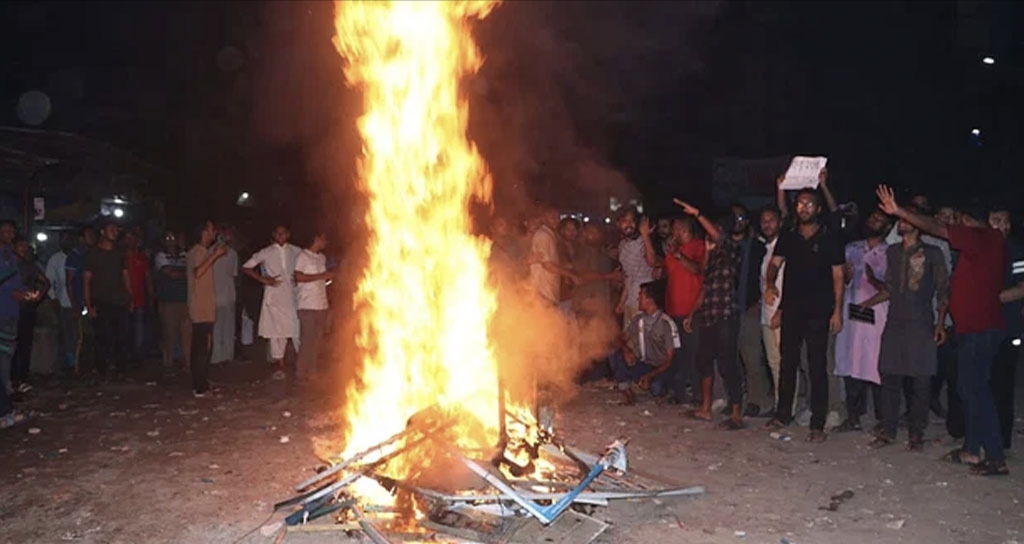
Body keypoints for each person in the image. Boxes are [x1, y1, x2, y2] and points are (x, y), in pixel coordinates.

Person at [876, 185, 1007, 476]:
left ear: (966, 220)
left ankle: (995, 456)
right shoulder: (990, 241)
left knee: (976, 392)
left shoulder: (980, 237)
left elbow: (937, 229)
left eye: (957, 221)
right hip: (976, 327)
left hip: (980, 329)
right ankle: (973, 450)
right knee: (970, 390)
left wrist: (899, 210)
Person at [861, 205, 949, 451]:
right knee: (889, 376)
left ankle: (916, 431)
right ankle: (888, 429)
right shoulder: (893, 252)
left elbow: (943, 291)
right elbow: (890, 289)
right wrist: (868, 300)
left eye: (906, 218)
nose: (901, 222)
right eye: (899, 218)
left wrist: (940, 324)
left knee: (921, 381)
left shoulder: (932, 254)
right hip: (896, 322)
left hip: (921, 323)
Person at [764, 189, 845, 443]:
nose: (804, 207)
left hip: (819, 311)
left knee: (816, 365)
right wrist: (769, 284)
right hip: (792, 310)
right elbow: (774, 264)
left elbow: (838, 276)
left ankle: (817, 422)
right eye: (800, 203)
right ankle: (783, 414)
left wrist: (837, 310)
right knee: (788, 363)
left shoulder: (829, 237)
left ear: (818, 208)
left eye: (809, 204)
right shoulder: (788, 236)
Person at [678, 206, 746, 430]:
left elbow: (719, 237)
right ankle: (706, 409)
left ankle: (736, 414)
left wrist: (698, 214)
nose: (710, 234)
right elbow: (704, 279)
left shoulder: (732, 250)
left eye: (715, 230)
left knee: (728, 364)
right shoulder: (714, 255)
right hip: (708, 315)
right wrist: (691, 313)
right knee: (704, 362)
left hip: (726, 315)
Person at [833, 210, 890, 432]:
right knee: (852, 361)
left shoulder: (890, 252)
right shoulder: (852, 248)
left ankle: (883, 419)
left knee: (876, 364)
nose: (874, 221)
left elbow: (890, 288)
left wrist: (873, 278)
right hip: (852, 313)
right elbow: (843, 282)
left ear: (887, 227)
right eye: (872, 217)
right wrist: (847, 275)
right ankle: (854, 416)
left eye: (880, 220)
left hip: (878, 313)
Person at [243, 224, 301, 379]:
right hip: (274, 297)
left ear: (288, 234)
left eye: (283, 233)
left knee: (296, 329)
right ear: (274, 235)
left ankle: (301, 364)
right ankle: (280, 366)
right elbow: (246, 267)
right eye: (278, 233)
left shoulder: (296, 251)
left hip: (292, 296)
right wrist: (263, 279)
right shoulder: (266, 252)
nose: (281, 236)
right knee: (277, 333)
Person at [662, 205, 707, 405]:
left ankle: (698, 395)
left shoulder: (699, 246)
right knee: (677, 354)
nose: (672, 233)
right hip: (673, 309)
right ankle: (679, 393)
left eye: (675, 229)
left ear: (683, 230)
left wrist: (679, 256)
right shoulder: (674, 251)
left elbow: (698, 269)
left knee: (695, 353)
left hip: (692, 310)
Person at [609, 280, 679, 405]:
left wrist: (650, 376)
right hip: (645, 365)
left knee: (657, 388)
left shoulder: (665, 323)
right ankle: (629, 395)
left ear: (650, 300)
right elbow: (618, 339)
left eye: (640, 295)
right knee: (614, 353)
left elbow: (670, 361)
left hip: (661, 368)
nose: (637, 299)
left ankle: (667, 390)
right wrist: (627, 350)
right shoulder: (638, 319)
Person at [83, 221, 133, 381]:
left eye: (116, 229)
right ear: (103, 232)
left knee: (122, 338)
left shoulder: (120, 253)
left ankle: (121, 371)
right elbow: (86, 281)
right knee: (103, 337)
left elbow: (126, 277)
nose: (115, 232)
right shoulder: (93, 254)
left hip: (120, 301)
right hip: (101, 301)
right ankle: (101, 370)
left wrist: (130, 297)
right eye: (111, 229)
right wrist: (88, 304)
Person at [990, 207, 1022, 450]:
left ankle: (1002, 440)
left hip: (1008, 327)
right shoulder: (981, 249)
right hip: (982, 327)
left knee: (1002, 385)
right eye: (997, 221)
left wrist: (991, 298)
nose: (1002, 226)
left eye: (1005, 222)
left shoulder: (1016, 250)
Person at [186, 221, 227, 397]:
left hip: (204, 306)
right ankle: (199, 387)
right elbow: (198, 272)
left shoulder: (202, 251)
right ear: (203, 232)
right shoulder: (197, 251)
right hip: (200, 307)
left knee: (204, 346)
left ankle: (202, 381)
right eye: (211, 229)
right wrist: (215, 256)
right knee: (201, 347)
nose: (214, 232)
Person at [11, 237, 49, 393]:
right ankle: (12, 379)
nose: (24, 248)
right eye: (21, 245)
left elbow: (46, 282)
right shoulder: (8, 265)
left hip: (26, 309)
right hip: (9, 310)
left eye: (26, 245)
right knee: (11, 346)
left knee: (24, 344)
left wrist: (38, 296)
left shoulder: (30, 266)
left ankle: (22, 378)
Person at [294, 233, 332, 382]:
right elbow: (298, 277)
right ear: (316, 239)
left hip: (321, 304)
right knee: (307, 339)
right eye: (323, 239)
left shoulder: (321, 258)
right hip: (307, 305)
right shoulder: (303, 256)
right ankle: (301, 372)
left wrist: (327, 278)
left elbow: (323, 280)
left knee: (317, 340)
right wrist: (321, 276)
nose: (326, 242)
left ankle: (313, 370)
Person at [154, 232, 191, 370]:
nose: (171, 241)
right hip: (169, 301)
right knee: (169, 335)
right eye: (168, 239)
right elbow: (171, 273)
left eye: (173, 238)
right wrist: (186, 273)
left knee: (187, 335)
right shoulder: (161, 256)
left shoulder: (184, 255)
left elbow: (192, 271)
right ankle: (168, 364)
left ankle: (187, 363)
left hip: (185, 300)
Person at [615, 207, 657, 328]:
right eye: (625, 220)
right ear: (618, 223)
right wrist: (622, 302)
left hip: (644, 303)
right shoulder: (622, 245)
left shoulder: (642, 240)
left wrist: (645, 235)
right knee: (630, 343)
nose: (629, 224)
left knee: (643, 343)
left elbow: (652, 262)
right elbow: (628, 277)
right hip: (630, 301)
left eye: (632, 220)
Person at [64, 227, 97, 374]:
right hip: (80, 302)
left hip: (91, 301)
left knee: (91, 335)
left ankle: (89, 366)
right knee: (81, 337)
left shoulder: (91, 254)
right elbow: (69, 282)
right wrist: (74, 304)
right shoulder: (74, 256)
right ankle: (77, 368)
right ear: (81, 238)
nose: (92, 237)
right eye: (88, 234)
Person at [45, 235, 74, 372]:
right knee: (65, 333)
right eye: (64, 241)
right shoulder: (55, 259)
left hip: (78, 302)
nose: (67, 243)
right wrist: (53, 298)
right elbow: (49, 280)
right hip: (63, 302)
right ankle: (68, 362)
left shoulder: (78, 256)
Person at [212, 225, 239, 365]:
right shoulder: (210, 252)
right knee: (217, 328)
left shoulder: (232, 253)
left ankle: (227, 356)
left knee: (228, 327)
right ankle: (217, 356)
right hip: (215, 297)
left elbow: (233, 276)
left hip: (228, 296)